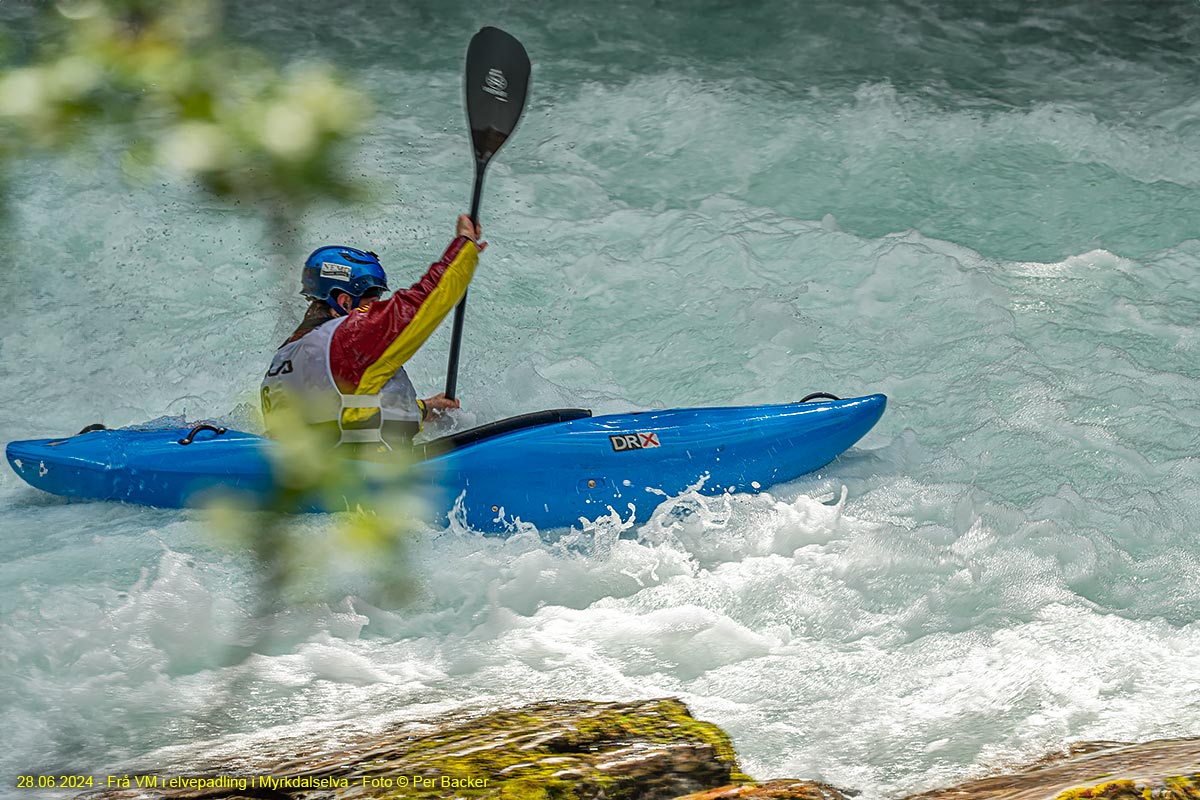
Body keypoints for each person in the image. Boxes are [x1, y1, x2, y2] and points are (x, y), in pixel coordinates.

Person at [261, 214, 482, 449]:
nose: (374, 311)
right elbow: (423, 303)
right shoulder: (345, 340)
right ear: (344, 302)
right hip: (364, 479)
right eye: (371, 301)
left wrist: (425, 409)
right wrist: (464, 246)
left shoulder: (284, 358)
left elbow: (346, 415)